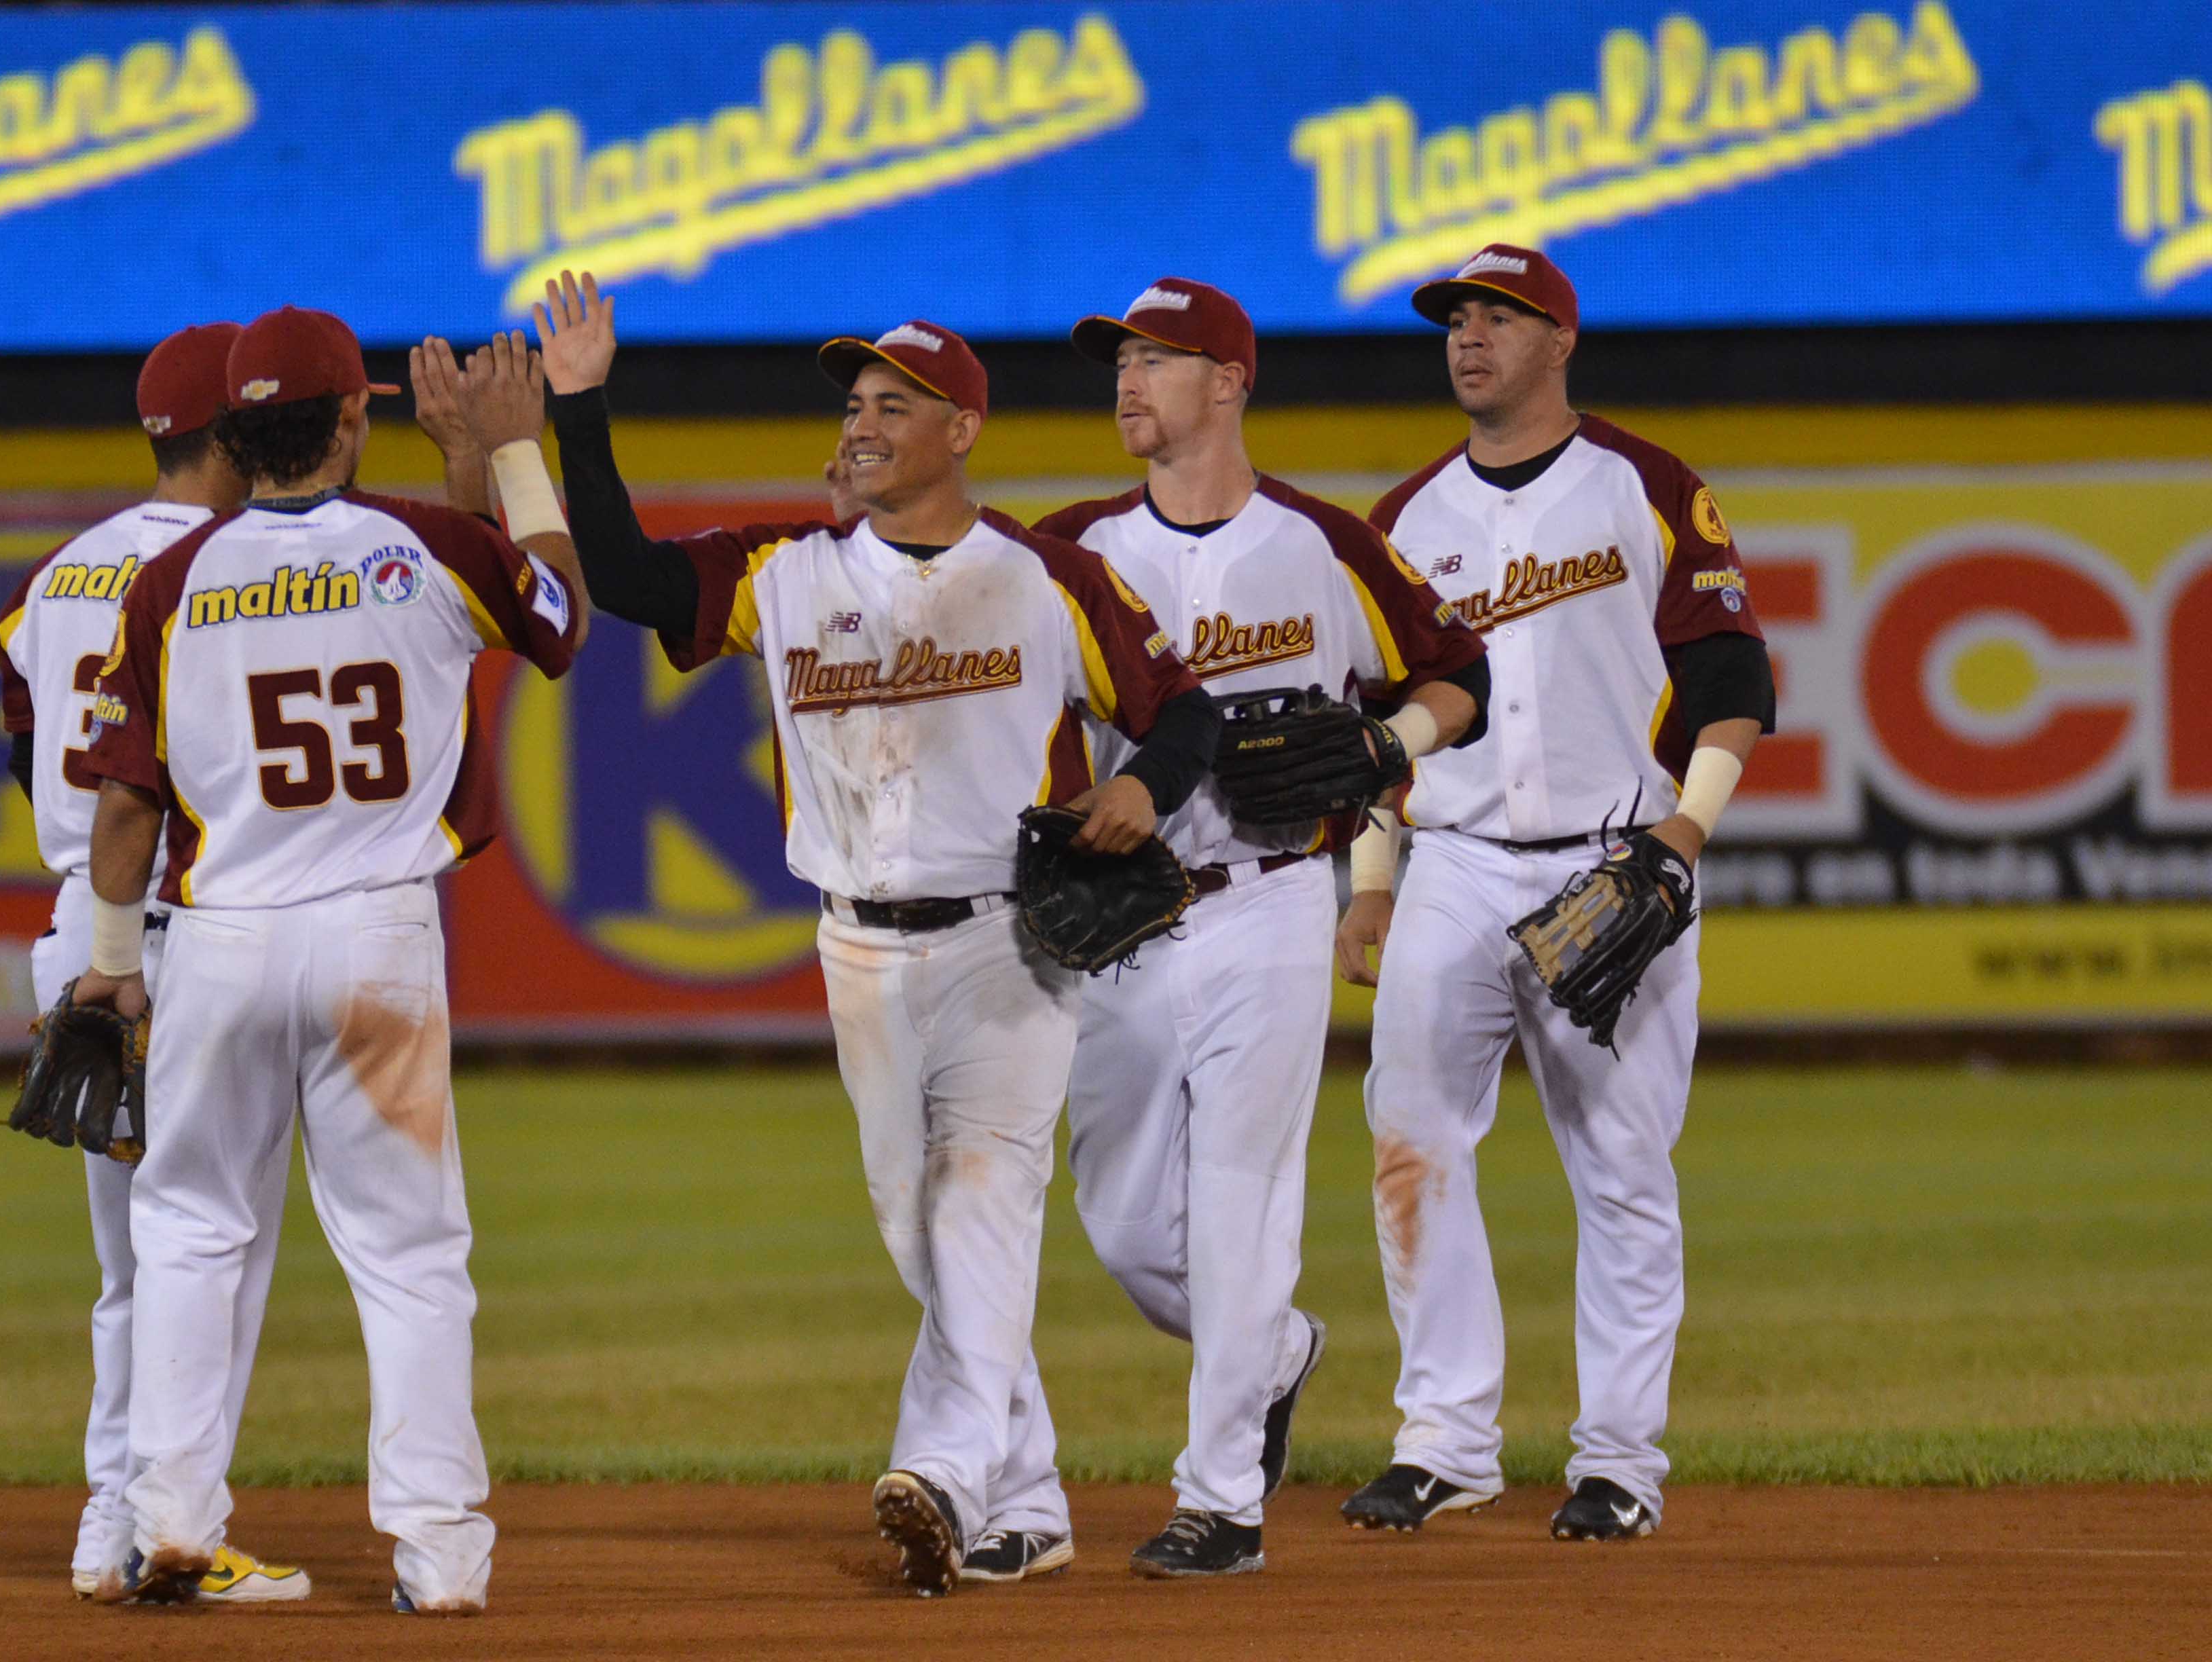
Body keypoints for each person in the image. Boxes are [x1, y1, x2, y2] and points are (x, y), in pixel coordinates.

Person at [534, 270, 1221, 1598]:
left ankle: (944, 1478)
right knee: (920, 1233)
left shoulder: (1042, 578)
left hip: (1007, 943)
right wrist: (578, 408)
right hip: (854, 946)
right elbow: (621, 578)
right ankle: (1027, 1499)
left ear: (960, 429)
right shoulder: (784, 576)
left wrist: (1143, 785)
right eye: (852, 402)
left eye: (891, 404)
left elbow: (1184, 711)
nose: (860, 422)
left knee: (979, 1205)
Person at [71, 306, 589, 1611]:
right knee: (410, 1255)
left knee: (187, 1232)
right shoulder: (424, 546)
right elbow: (557, 622)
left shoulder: (173, 579)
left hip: (223, 942)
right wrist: (515, 454)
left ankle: (173, 1524)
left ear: (236, 431)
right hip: (378, 939)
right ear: (353, 417)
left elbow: (125, 805)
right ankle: (439, 1553)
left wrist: (112, 963)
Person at [1020, 278, 1488, 1578]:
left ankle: (1220, 1500)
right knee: (1119, 1222)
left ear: (1230, 383)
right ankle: (1275, 1351)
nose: (1128, 380)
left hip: (1272, 905)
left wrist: (1388, 739)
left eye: (1158, 359)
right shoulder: (1067, 553)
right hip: (1126, 917)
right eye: (1119, 358)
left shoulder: (1325, 545)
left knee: (1242, 1202)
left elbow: (1465, 674)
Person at [1336, 245, 1774, 1541]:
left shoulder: (1647, 488)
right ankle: (1446, 1442)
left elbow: (1734, 681)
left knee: (1625, 1165)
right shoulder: (1408, 518)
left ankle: (1621, 1462)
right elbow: (1379, 725)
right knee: (1411, 1144)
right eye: (1456, 319)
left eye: (1499, 317)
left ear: (1560, 339)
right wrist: (1371, 884)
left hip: (1616, 855)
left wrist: (1685, 834)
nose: (1469, 338)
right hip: (1456, 865)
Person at [0, 322, 308, 1605]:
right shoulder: (228, 568)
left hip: (82, 922)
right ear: (231, 434)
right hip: (184, 931)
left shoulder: (56, 578)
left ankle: (106, 1528)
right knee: (213, 1253)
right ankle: (177, 1524)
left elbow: (25, 734)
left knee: (135, 1266)